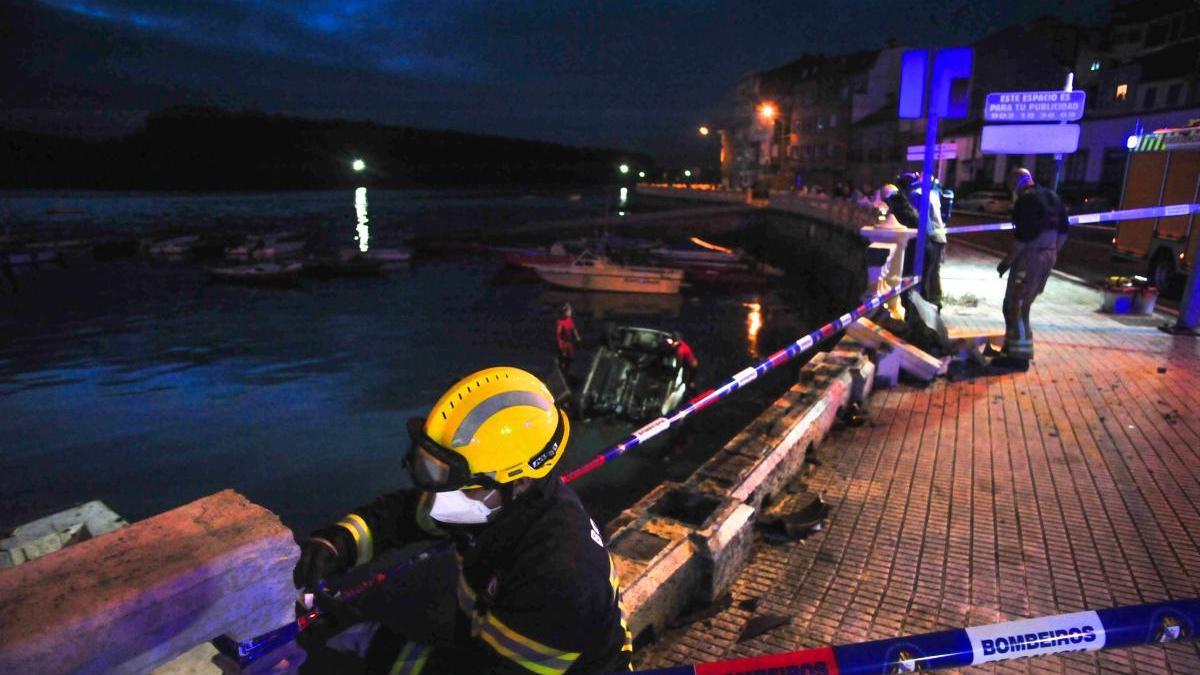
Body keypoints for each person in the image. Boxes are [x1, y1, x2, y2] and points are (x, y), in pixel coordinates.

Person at [293, 367, 633, 674]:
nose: (439, 501)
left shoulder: (562, 576)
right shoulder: (488, 505)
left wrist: (369, 642)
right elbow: (403, 516)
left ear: (520, 482)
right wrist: (341, 542)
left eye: (460, 488)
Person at [996, 168, 1068, 361]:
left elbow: (1022, 239)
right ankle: (1012, 347)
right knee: (1022, 305)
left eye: (1010, 186)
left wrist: (1006, 262)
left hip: (1029, 258)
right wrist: (1050, 257)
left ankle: (1019, 355)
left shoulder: (1026, 201)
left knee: (1016, 306)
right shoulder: (1053, 197)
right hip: (1048, 257)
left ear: (1015, 182)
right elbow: (1063, 233)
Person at [898, 171, 948, 307]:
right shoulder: (929, 191)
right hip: (939, 235)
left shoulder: (914, 195)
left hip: (930, 238)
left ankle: (927, 306)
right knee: (934, 271)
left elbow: (917, 219)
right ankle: (936, 300)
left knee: (924, 275)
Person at [555, 303, 582, 380]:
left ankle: (567, 370)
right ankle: (562, 372)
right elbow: (558, 334)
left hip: (569, 342)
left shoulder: (570, 320)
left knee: (570, 357)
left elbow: (573, 329)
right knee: (563, 357)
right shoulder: (560, 322)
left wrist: (577, 337)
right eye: (569, 311)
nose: (570, 312)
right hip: (563, 342)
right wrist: (560, 345)